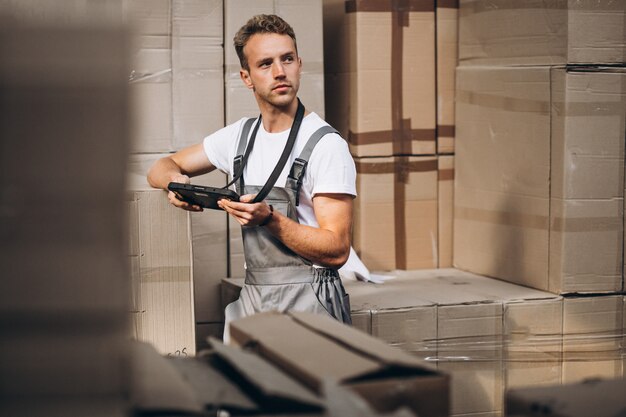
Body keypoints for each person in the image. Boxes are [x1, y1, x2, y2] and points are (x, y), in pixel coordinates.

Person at [147, 14, 355, 333]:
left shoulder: (326, 145)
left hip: (312, 301)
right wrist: (177, 186)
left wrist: (270, 219)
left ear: (299, 63)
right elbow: (161, 167)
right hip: (255, 300)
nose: (280, 71)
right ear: (246, 77)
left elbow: (337, 249)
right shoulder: (239, 138)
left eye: (287, 59)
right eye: (265, 63)